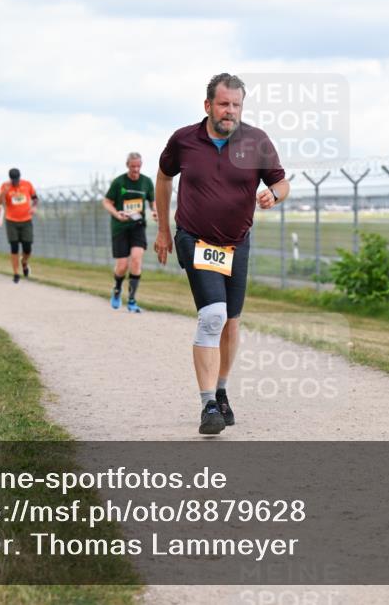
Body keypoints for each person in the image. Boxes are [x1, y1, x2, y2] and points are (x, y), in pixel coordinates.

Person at [154, 73, 290, 435]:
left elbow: (281, 181)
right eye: (223, 104)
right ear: (208, 105)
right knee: (213, 315)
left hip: (236, 242)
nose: (230, 111)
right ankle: (208, 405)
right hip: (194, 239)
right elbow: (164, 178)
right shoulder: (184, 140)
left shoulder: (256, 141)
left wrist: (273, 195)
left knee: (231, 322)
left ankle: (221, 389)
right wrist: (165, 230)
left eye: (236, 105)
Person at [104, 152, 156, 313]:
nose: (136, 170)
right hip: (120, 227)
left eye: (138, 166)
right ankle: (117, 289)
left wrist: (155, 211)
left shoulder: (146, 182)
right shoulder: (119, 182)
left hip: (138, 226)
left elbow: (152, 201)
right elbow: (106, 202)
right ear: (128, 165)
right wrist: (116, 214)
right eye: (133, 166)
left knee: (136, 260)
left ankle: (132, 300)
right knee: (122, 265)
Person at [0, 168, 37, 284]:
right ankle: (16, 273)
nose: (16, 182)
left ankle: (24, 262)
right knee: (14, 247)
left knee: (27, 247)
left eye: (17, 179)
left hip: (26, 220)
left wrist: (34, 207)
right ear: (10, 178)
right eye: (14, 180)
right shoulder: (5, 186)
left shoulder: (27, 184)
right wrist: (4, 191)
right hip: (11, 221)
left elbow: (35, 198)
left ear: (20, 177)